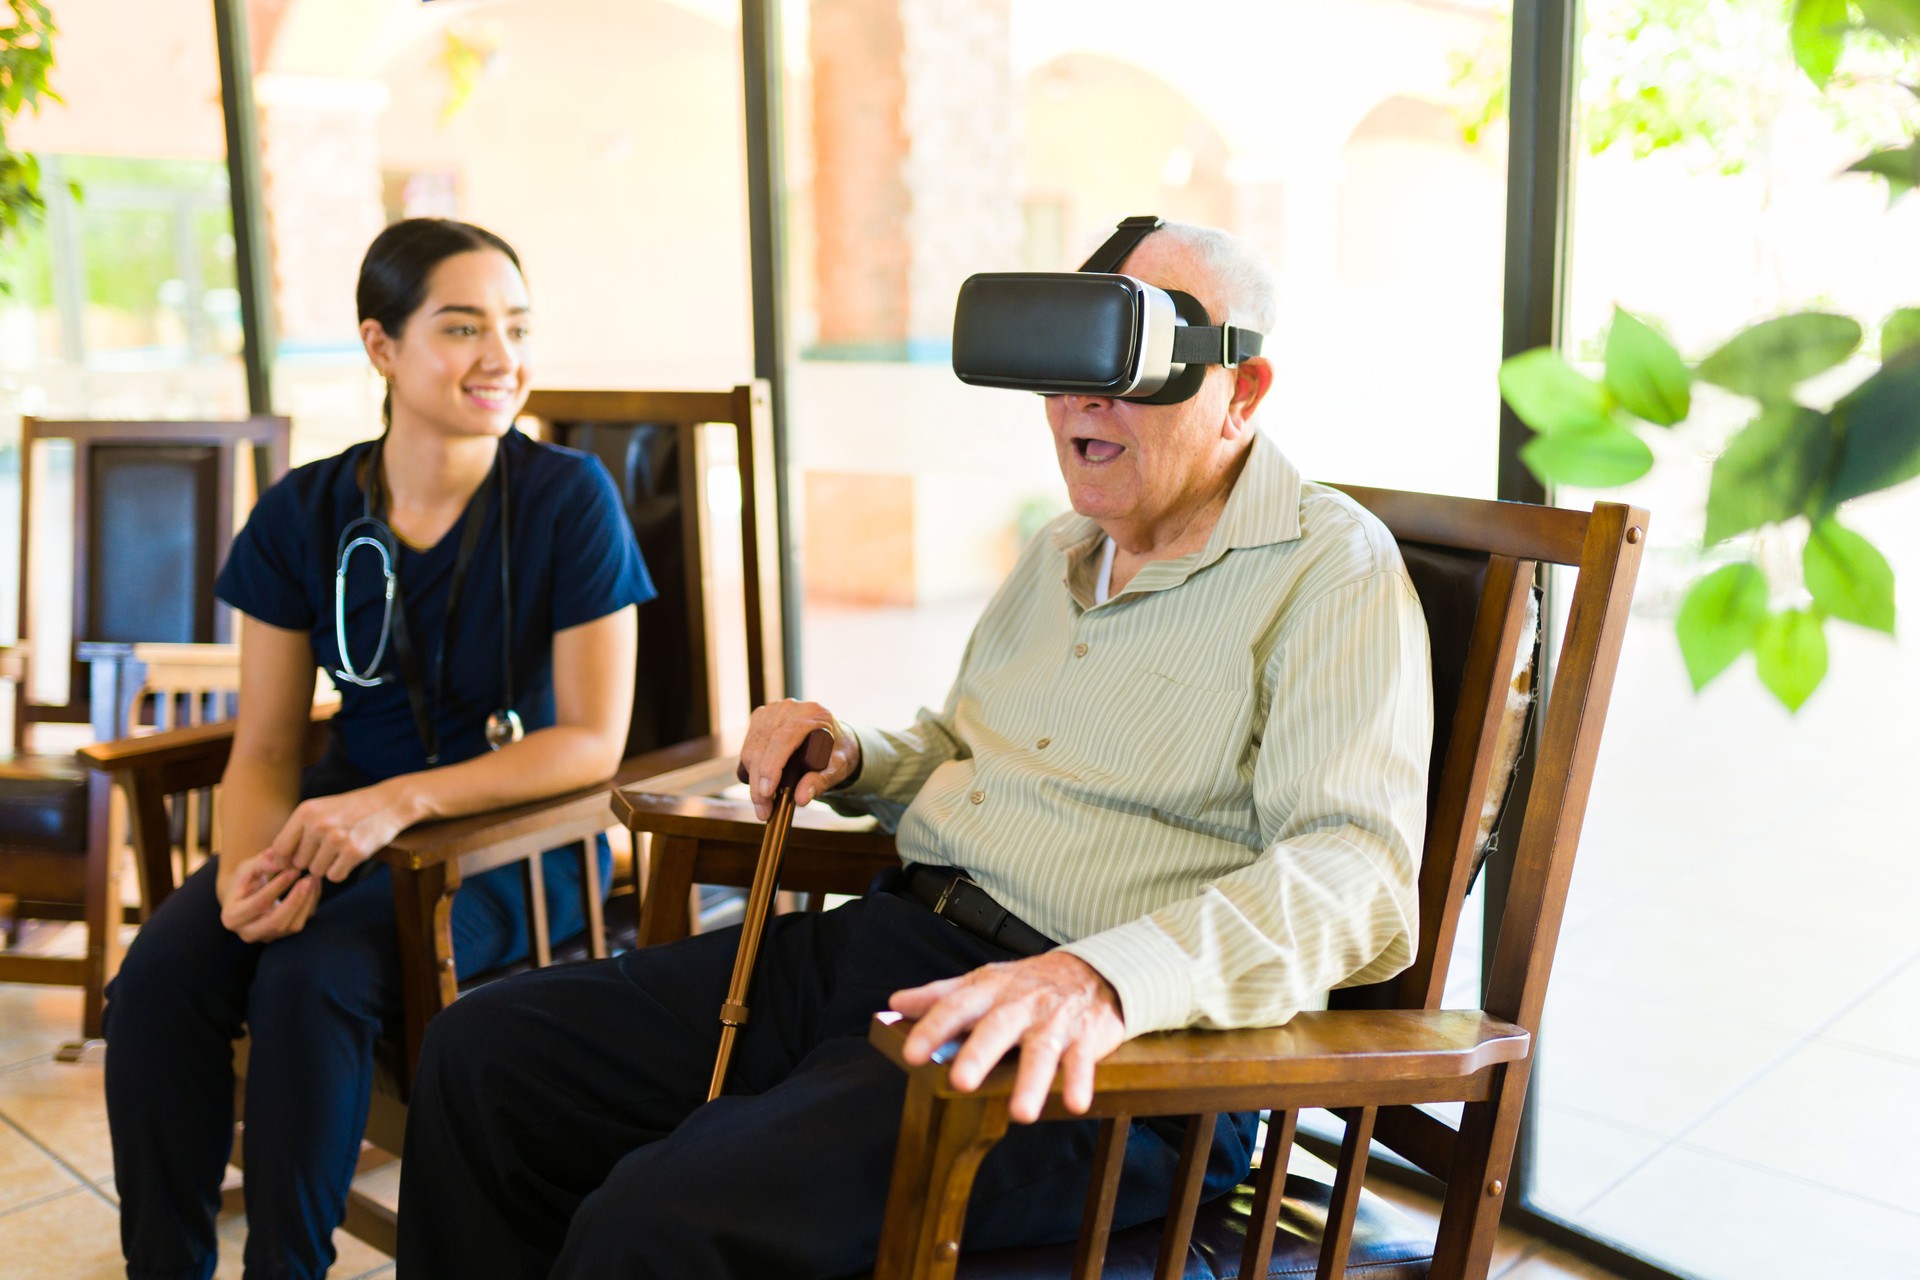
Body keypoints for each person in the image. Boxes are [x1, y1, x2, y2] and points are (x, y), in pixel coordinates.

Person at [395, 221, 1433, 1279]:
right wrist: (854, 753)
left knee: (663, 1215)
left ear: (1242, 388)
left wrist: (1099, 979)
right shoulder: (1063, 549)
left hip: (1097, 1055)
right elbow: (962, 744)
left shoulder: (1330, 567)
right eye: (1066, 366)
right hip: (896, 950)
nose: (1083, 400)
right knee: (485, 1055)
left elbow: (1357, 875)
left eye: (1127, 362)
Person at [103, 217, 654, 1280]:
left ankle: (286, 1268)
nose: (501, 356)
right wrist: (247, 877)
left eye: (516, 326)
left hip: (516, 842)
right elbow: (264, 748)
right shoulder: (305, 510)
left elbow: (591, 739)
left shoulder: (569, 499)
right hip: (339, 824)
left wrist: (392, 802)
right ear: (380, 346)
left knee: (310, 975)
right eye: (461, 327)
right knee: (168, 969)